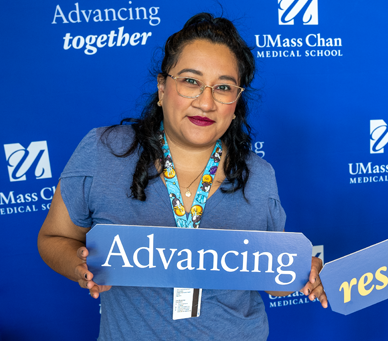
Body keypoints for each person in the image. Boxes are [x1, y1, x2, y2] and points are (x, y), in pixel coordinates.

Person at [37, 12, 327, 340]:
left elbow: (275, 281)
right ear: (162, 88)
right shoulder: (104, 151)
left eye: (223, 87)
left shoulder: (259, 175)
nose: (206, 102)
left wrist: (301, 273)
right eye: (190, 81)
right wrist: (79, 264)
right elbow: (52, 239)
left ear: (236, 101)